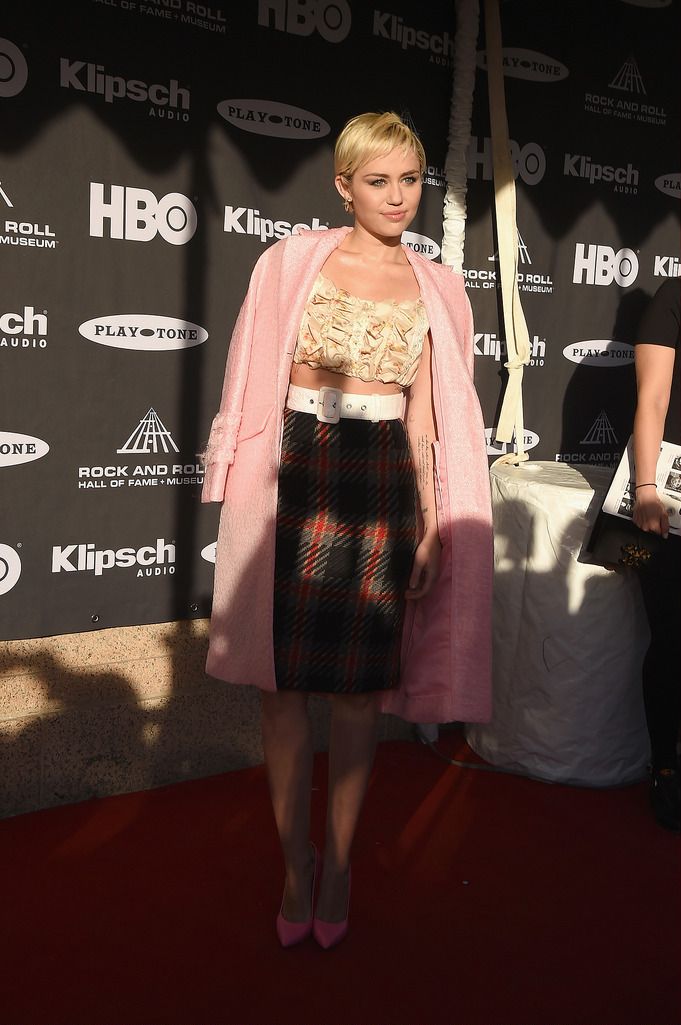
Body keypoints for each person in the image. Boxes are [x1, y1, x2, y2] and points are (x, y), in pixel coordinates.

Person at [201, 112, 492, 946]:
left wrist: (435, 521)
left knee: (361, 693)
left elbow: (427, 420)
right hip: (292, 471)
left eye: (409, 180)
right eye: (378, 181)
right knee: (281, 688)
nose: (397, 197)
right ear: (343, 186)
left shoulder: (439, 285)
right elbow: (249, 368)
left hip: (380, 488)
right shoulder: (290, 261)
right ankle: (296, 864)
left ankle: (342, 856)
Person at [632, 277, 680, 832]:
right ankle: (664, 767)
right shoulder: (674, 298)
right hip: (671, 497)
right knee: (673, 638)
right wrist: (647, 488)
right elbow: (653, 399)